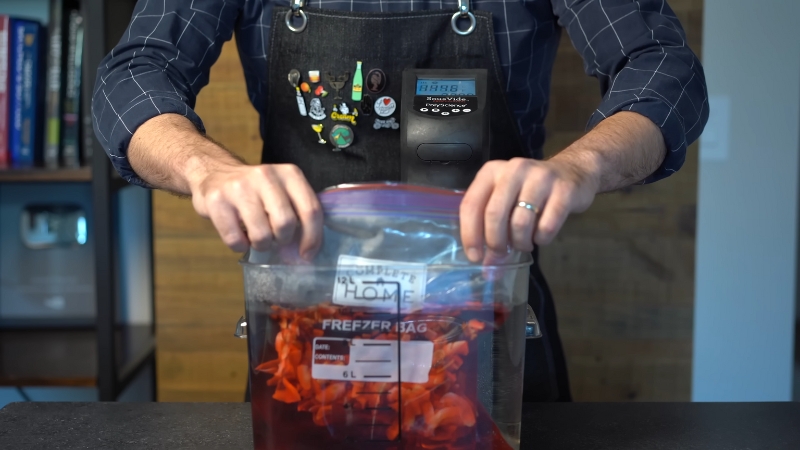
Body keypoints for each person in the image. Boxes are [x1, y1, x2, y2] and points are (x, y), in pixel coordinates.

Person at [93, 0, 708, 403]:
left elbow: (664, 69)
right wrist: (205, 167)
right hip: (309, 342)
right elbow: (133, 74)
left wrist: (582, 165)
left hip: (489, 331)